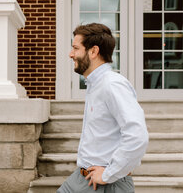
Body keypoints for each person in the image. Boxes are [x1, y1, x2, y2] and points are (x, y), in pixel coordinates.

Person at [57, 23, 149, 193]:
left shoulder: (112, 84)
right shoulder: (95, 84)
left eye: (76, 48)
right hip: (82, 177)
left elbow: (137, 136)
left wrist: (108, 175)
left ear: (93, 51)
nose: (71, 54)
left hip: (106, 184)